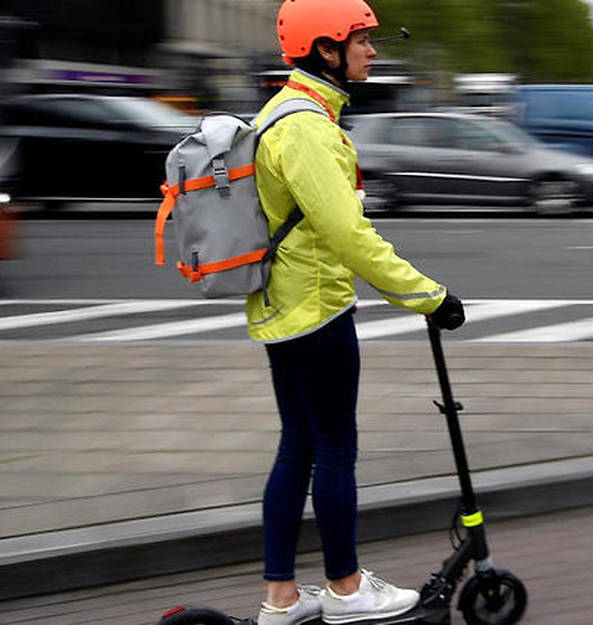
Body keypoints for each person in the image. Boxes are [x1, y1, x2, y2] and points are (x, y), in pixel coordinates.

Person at [249, 1, 466, 624]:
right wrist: (428, 296)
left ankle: (282, 599)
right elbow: (348, 234)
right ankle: (346, 590)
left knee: (298, 448)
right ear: (326, 49)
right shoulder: (307, 127)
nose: (373, 51)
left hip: (284, 307)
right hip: (316, 311)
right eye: (362, 40)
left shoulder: (283, 112)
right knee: (334, 449)